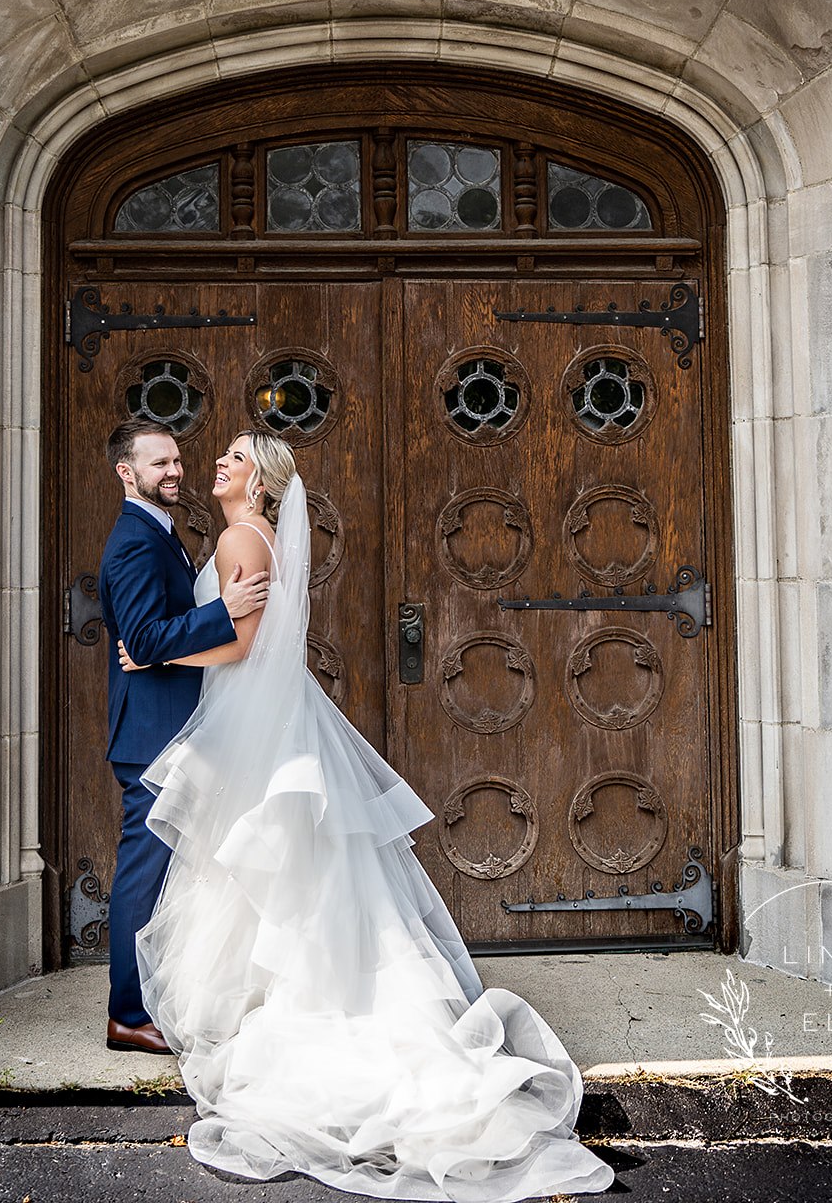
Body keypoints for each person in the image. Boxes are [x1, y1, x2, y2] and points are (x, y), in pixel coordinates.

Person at [120, 430, 615, 1199]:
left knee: (268, 873)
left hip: (252, 718)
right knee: (287, 872)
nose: (216, 465)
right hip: (262, 720)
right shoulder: (241, 534)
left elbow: (244, 644)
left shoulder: (241, 540)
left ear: (259, 485)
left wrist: (156, 654)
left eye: (235, 458)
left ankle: (291, 1009)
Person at [98, 419, 270, 1054]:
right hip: (150, 735)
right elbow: (141, 640)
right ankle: (126, 1015)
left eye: (176, 460)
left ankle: (161, 996)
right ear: (127, 473)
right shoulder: (135, 543)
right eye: (158, 464)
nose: (174, 471)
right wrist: (224, 611)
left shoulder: (160, 531)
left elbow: (152, 635)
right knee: (143, 873)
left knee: (171, 871)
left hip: (173, 729)